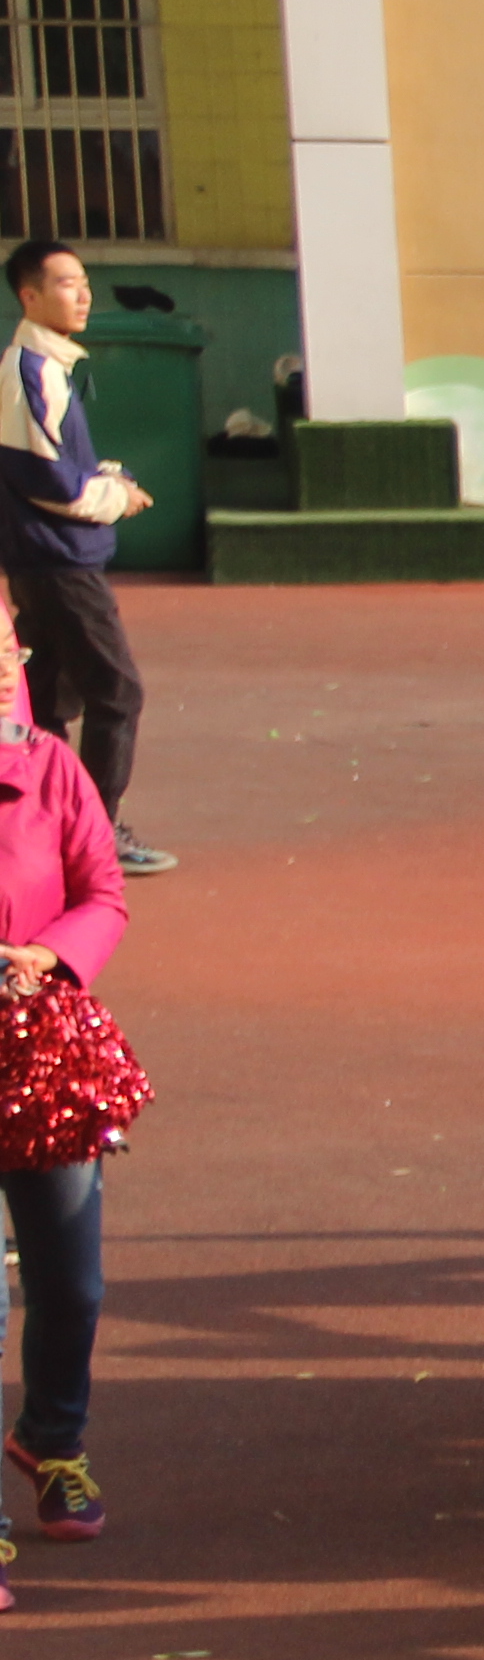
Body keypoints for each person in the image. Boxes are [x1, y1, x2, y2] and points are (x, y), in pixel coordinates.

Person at [0, 620, 126, 1550]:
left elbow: (102, 895)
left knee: (73, 1285)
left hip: (44, 1056)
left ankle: (52, 1440)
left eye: (1, 649)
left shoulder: (53, 769)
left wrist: (45, 955)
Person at [0, 241, 158, 870]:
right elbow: (46, 481)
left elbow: (58, 467)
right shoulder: (30, 372)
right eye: (67, 283)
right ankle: (96, 832)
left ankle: (47, 827)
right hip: (58, 564)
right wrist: (116, 496)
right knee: (117, 693)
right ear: (29, 296)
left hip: (49, 561)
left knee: (47, 701)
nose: (83, 294)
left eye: (84, 281)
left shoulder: (48, 369)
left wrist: (105, 476)